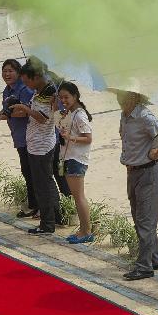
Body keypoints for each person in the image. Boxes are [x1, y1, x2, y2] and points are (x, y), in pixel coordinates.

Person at [113, 82, 158, 280]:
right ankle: (155, 257)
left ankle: (144, 266)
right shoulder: (125, 115)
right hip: (133, 172)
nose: (118, 98)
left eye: (122, 94)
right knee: (140, 218)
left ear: (133, 96)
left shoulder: (144, 115)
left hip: (148, 172)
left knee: (145, 221)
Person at [11, 58, 62, 235]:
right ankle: (55, 216)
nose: (27, 85)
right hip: (35, 143)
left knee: (42, 184)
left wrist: (25, 110)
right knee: (46, 181)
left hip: (42, 145)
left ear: (37, 76)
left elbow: (43, 118)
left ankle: (47, 224)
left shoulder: (49, 92)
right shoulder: (39, 91)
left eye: (28, 81)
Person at [0, 59, 37, 217]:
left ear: (19, 72)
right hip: (19, 136)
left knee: (33, 172)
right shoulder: (7, 90)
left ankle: (39, 207)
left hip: (31, 136)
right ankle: (33, 205)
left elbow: (26, 111)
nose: (7, 74)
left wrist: (3, 116)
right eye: (4, 71)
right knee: (26, 171)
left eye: (10, 71)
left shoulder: (25, 88)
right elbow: (6, 110)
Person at [56, 81, 94, 242]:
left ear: (75, 96)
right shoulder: (70, 113)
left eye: (66, 97)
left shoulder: (80, 115)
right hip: (69, 157)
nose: (63, 100)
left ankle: (86, 231)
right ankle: (84, 229)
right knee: (77, 196)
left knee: (79, 197)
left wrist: (71, 137)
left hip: (76, 159)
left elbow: (88, 138)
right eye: (61, 97)